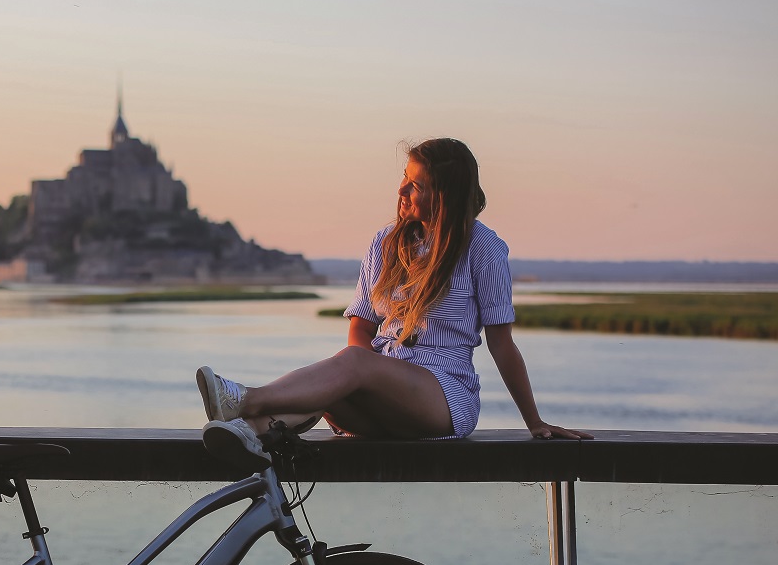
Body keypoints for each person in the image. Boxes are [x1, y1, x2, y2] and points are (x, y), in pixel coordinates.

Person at [197, 138, 591, 470]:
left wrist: (534, 421)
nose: (401, 192)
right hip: (382, 398)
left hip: (443, 397)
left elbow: (502, 343)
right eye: (404, 179)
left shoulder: (483, 248)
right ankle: (249, 430)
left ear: (444, 195)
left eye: (415, 186)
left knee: (349, 362)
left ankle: (243, 399)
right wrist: (358, 378)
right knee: (333, 381)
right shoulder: (386, 243)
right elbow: (362, 326)